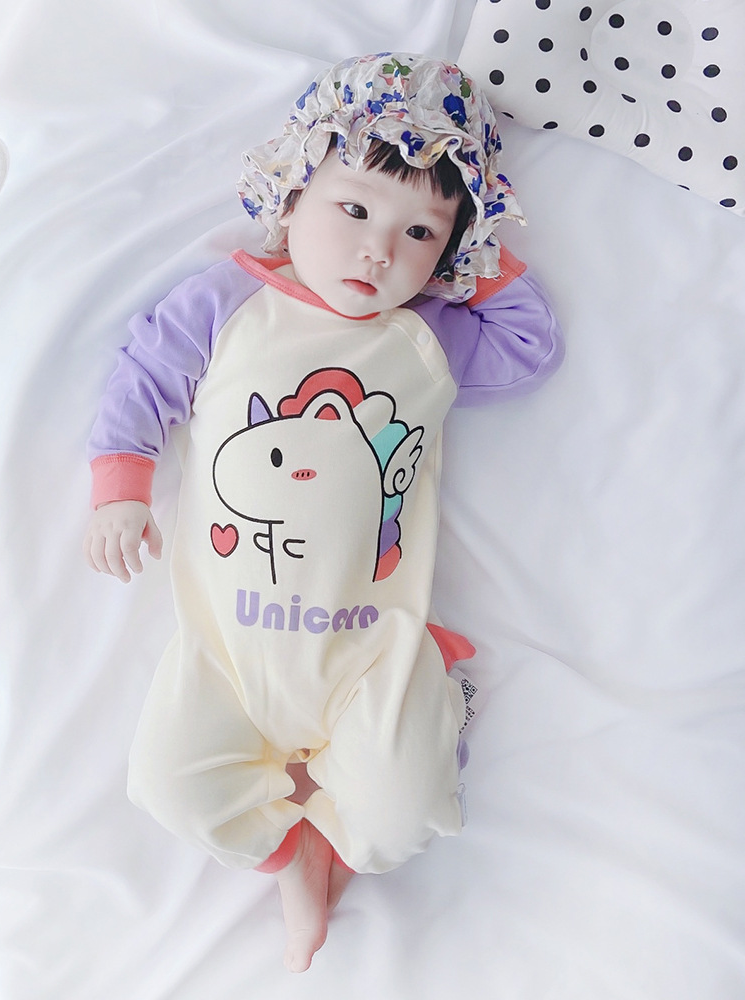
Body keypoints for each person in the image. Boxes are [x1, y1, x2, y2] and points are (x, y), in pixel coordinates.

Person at [83, 52, 562, 973]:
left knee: (404, 814)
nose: (380, 251)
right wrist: (121, 489)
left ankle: (364, 806)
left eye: (420, 232)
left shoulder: (426, 334)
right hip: (227, 650)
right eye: (353, 210)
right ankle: (291, 856)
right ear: (292, 193)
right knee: (170, 786)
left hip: (371, 652)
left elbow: (531, 346)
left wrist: (476, 251)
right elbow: (145, 377)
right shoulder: (230, 301)